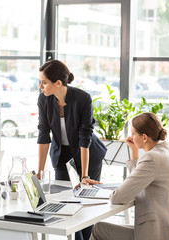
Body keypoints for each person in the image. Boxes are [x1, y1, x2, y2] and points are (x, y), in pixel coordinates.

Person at [37, 60, 107, 240]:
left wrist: (84, 175)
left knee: (85, 204)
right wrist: (40, 171)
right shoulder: (43, 100)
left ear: (58, 83)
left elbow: (85, 137)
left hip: (88, 155)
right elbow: (44, 135)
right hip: (62, 156)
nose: (41, 86)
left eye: (44, 82)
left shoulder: (83, 98)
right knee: (66, 205)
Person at [90, 112, 169, 240]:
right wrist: (134, 151)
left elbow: (118, 197)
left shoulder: (152, 158)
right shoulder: (168, 151)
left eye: (133, 133)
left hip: (157, 234)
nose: (131, 137)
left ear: (144, 137)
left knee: (99, 229)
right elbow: (141, 180)